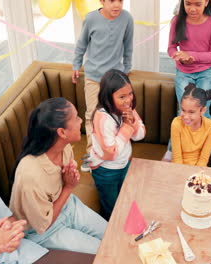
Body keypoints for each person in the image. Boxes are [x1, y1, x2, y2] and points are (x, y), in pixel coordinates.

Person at [9, 98, 107, 254]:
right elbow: (43, 226)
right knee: (103, 252)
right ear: (62, 132)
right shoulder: (30, 174)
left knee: (112, 236)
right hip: (44, 231)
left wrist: (70, 179)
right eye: (76, 118)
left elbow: (63, 181)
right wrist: (68, 187)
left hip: (68, 206)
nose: (81, 121)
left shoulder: (65, 147)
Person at [72, 0, 134, 171]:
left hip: (114, 79)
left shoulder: (127, 18)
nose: (117, 5)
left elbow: (128, 46)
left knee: (117, 115)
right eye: (112, 1)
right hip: (93, 77)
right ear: (102, 1)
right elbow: (81, 45)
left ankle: (115, 153)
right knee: (92, 116)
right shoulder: (91, 18)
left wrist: (127, 69)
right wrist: (76, 66)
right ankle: (93, 155)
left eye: (120, 1)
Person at [163, 0, 211, 168]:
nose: (192, 9)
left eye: (197, 4)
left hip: (206, 72)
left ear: (206, 2)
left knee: (202, 112)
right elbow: (170, 48)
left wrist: (192, 56)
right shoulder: (177, 21)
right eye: (188, 4)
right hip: (183, 72)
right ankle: (171, 151)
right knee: (184, 111)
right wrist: (178, 56)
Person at [88, 69, 145, 220]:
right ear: (108, 97)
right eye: (122, 96)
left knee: (123, 201)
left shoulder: (128, 109)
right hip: (106, 171)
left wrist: (133, 123)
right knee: (112, 208)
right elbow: (110, 153)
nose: (128, 100)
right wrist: (127, 128)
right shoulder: (103, 118)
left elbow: (140, 135)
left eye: (130, 94)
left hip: (124, 165)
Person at [171, 83, 211, 167]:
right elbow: (177, 158)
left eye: (191, 112)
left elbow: (203, 159)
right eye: (183, 110)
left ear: (203, 110)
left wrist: (195, 175)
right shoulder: (176, 123)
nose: (186, 116)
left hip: (199, 169)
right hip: (178, 167)